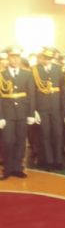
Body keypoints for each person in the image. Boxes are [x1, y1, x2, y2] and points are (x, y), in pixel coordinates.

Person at [0, 47, 36, 179]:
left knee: (20, 141)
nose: (15, 60)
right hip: (7, 113)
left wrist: (31, 114)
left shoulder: (27, 74)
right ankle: (7, 169)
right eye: (12, 57)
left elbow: (31, 95)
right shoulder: (1, 74)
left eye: (17, 57)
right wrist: (0, 116)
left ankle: (18, 167)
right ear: (8, 58)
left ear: (20, 58)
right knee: (7, 141)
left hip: (22, 112)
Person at [32, 46, 64, 170]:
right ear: (41, 57)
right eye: (45, 58)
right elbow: (32, 91)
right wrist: (34, 110)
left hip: (56, 106)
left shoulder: (58, 69)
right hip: (42, 107)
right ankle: (48, 161)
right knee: (45, 134)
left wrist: (63, 107)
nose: (47, 60)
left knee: (58, 134)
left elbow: (62, 89)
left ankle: (58, 160)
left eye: (49, 58)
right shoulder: (35, 70)